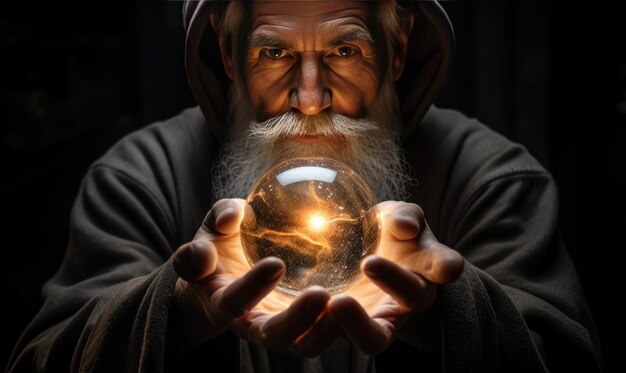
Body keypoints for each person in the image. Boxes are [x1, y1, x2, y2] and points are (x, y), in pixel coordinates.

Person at [7, 1, 602, 372]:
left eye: (345, 49)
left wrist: (442, 309)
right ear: (227, 52)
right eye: (274, 51)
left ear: (395, 49)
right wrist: (184, 305)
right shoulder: (137, 179)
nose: (311, 98)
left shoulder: (496, 182)